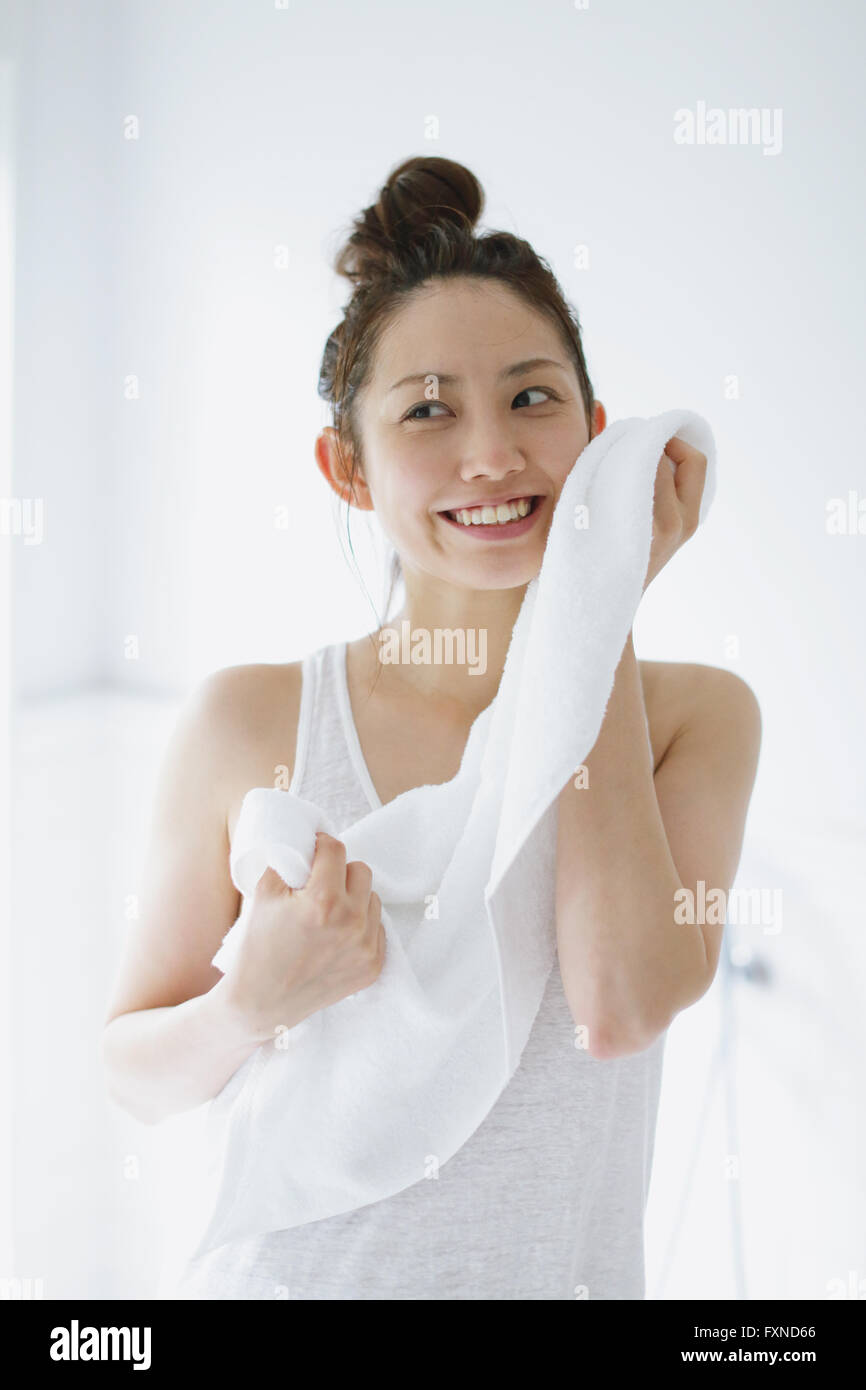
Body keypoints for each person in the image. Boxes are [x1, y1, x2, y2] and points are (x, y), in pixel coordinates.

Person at [100, 155, 762, 1300]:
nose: (491, 455)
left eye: (530, 396)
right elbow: (135, 1074)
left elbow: (617, 1007)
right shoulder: (253, 717)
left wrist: (592, 615)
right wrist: (248, 1004)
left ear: (597, 431)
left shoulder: (693, 717)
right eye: (426, 410)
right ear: (346, 466)